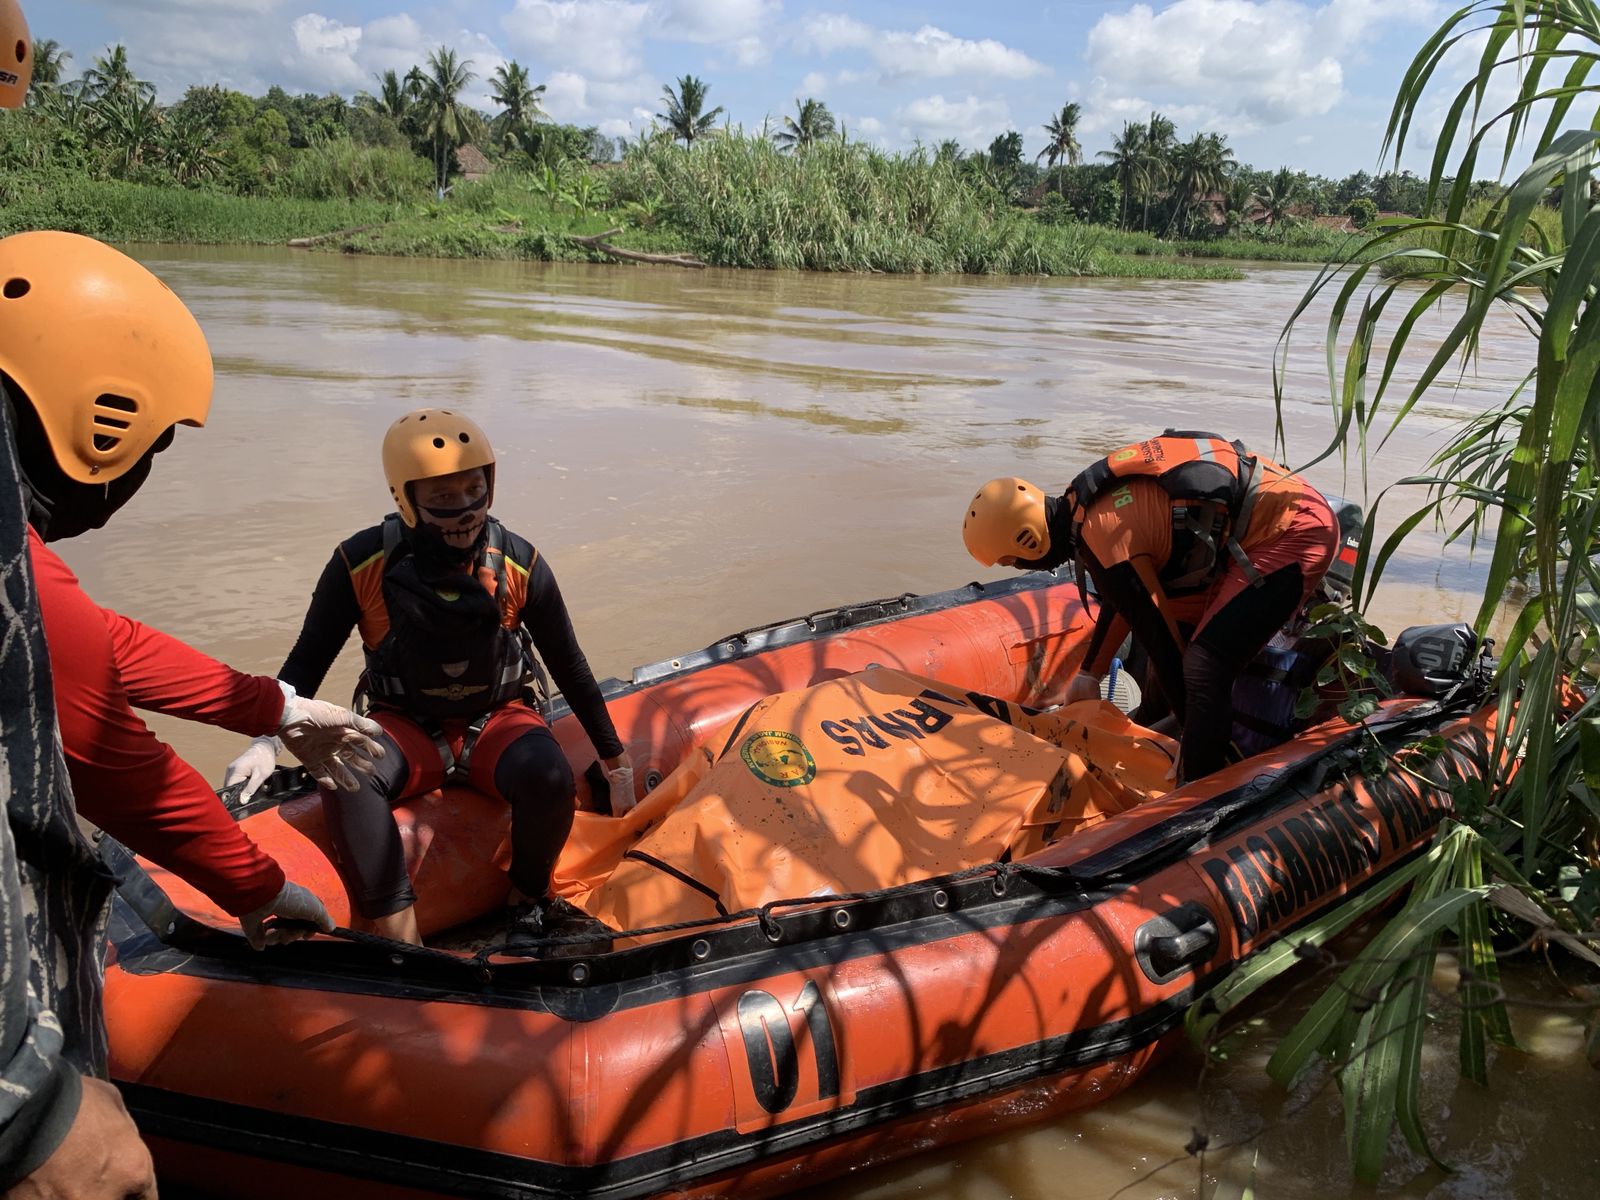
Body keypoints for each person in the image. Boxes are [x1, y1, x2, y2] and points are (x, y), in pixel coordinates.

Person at [0, 234, 383, 1189]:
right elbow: (126, 770)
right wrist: (262, 891)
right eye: (156, 447)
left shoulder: (26, 567)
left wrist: (278, 705)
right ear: (102, 424)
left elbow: (94, 640)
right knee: (113, 1167)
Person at [224, 409, 635, 947]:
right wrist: (263, 736)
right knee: (344, 773)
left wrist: (616, 761)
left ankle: (527, 901)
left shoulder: (518, 562)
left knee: (551, 778)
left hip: (497, 720)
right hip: (404, 723)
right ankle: (403, 940)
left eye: (475, 489)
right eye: (442, 498)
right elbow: (307, 660)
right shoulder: (360, 562)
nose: (464, 511)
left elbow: (569, 663)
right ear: (406, 498)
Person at [962, 430, 1337, 782]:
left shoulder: (1102, 535)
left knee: (1204, 666)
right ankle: (1169, 739)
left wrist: (1194, 735)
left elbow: (1160, 641)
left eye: (1012, 560)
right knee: (1179, 663)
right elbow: (1125, 599)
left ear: (1028, 541)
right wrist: (1089, 674)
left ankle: (1200, 785)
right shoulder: (1081, 509)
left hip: (1292, 530)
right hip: (1248, 527)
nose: (1021, 567)